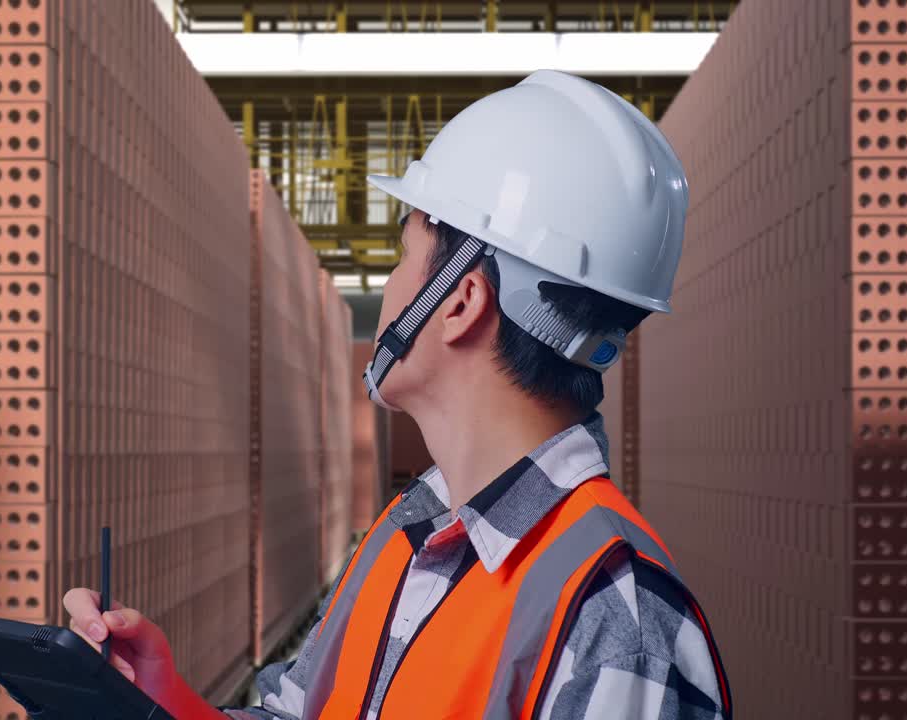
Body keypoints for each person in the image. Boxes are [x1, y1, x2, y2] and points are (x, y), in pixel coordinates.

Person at [63, 69, 732, 720]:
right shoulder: (408, 535)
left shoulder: (613, 618)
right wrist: (158, 702)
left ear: (461, 301)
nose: (390, 285)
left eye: (404, 254)